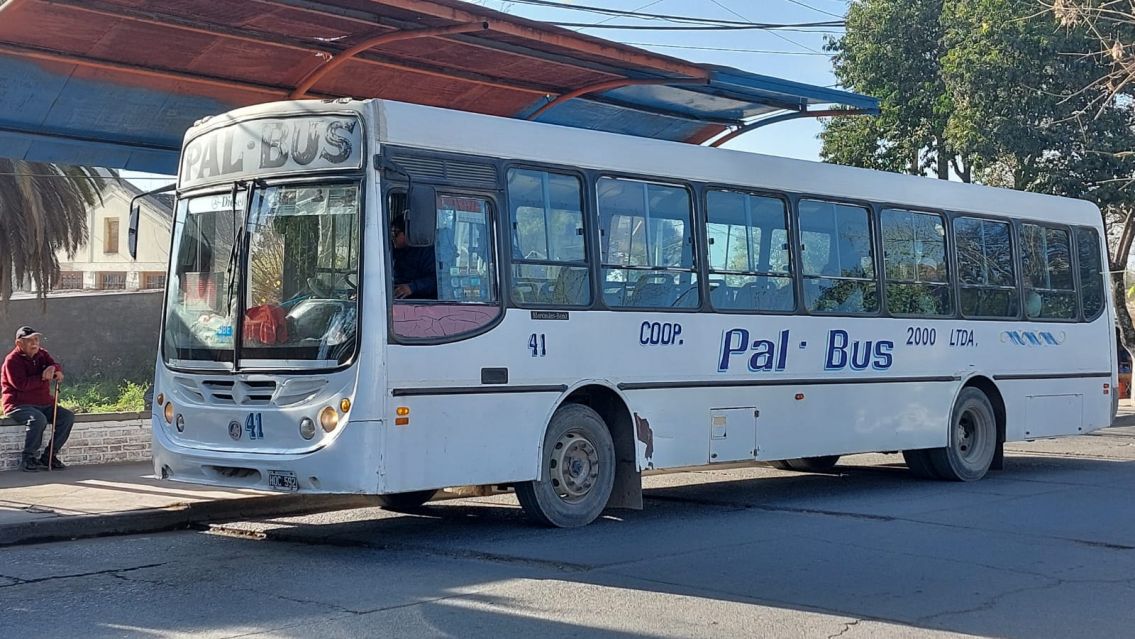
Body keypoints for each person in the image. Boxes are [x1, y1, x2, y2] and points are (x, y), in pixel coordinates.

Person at [2, 327, 74, 471]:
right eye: (29, 340)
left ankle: (49, 456)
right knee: (37, 419)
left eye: (36, 339)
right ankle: (28, 458)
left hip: (44, 403)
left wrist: (55, 369)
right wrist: (43, 376)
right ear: (19, 343)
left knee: (67, 417)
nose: (34, 343)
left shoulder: (42, 354)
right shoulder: (12, 360)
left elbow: (54, 364)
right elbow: (21, 385)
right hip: (18, 404)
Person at [390, 213, 437, 300]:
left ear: (409, 232)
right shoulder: (392, 250)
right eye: (391, 233)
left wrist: (412, 287)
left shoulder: (426, 252)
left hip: (420, 302)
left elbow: (435, 281)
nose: (393, 237)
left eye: (395, 233)